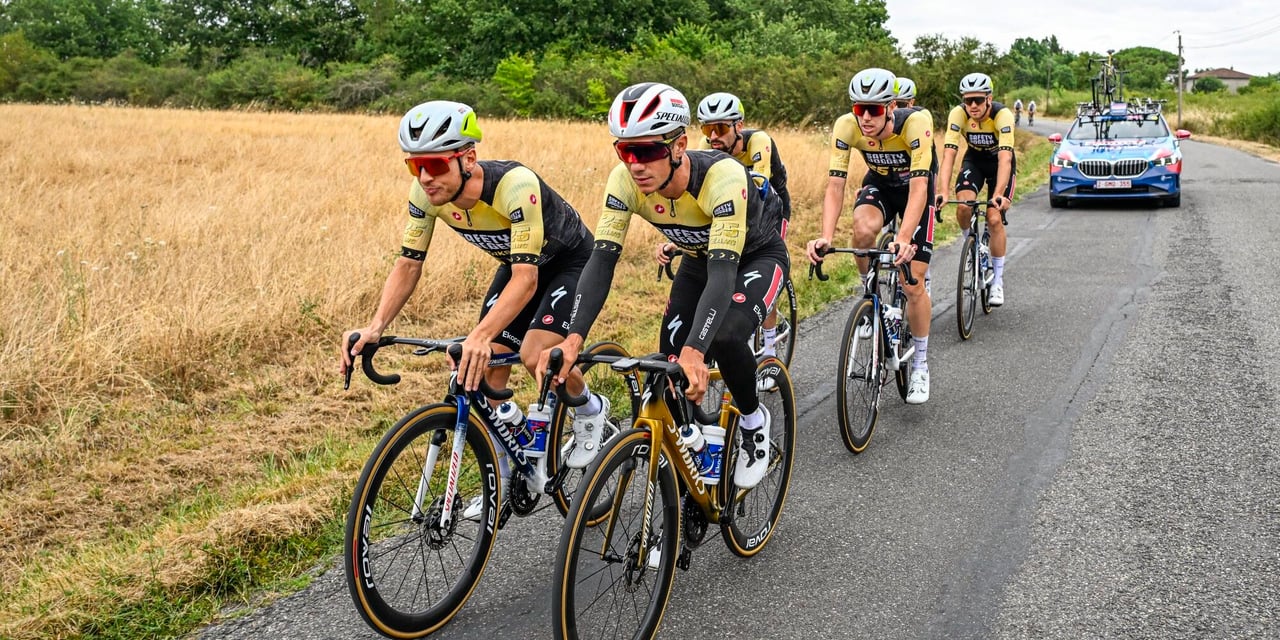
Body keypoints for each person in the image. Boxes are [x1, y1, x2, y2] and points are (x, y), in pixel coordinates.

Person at [540, 82, 790, 489]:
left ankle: (752, 420)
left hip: (755, 256)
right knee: (668, 369)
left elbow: (724, 273)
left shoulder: (722, 177)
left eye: (646, 152)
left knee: (724, 337)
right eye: (625, 151)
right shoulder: (624, 181)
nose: (635, 165)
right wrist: (573, 338)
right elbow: (601, 261)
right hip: (697, 258)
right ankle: (696, 443)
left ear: (679, 147)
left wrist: (697, 350)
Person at [341, 100, 612, 471]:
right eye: (415, 166)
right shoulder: (425, 195)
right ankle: (505, 468)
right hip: (517, 265)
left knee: (536, 355)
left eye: (436, 165)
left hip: (569, 262)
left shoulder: (514, 186)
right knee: (483, 368)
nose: (425, 177)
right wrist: (376, 326)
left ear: (468, 159)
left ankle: (591, 409)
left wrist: (480, 334)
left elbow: (527, 278)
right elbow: (408, 264)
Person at [805, 68, 937, 404]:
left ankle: (920, 365)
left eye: (874, 110)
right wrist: (825, 236)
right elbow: (835, 185)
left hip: (915, 190)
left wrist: (904, 237)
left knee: (912, 283)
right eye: (858, 108)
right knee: (862, 229)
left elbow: (920, 187)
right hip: (880, 184)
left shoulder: (915, 124)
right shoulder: (846, 126)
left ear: (891, 106)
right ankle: (871, 295)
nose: (865, 118)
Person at [659, 91, 790, 361]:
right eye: (707, 129)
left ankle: (769, 345)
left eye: (719, 128)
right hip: (734, 206)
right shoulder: (706, 146)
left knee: (764, 269)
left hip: (770, 207)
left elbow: (760, 188)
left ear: (738, 126)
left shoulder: (759, 141)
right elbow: (698, 203)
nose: (713, 136)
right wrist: (679, 239)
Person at [935, 72, 1016, 307]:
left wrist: (998, 194)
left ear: (989, 99)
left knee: (994, 218)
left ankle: (997, 281)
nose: (972, 106)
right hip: (975, 161)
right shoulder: (958, 114)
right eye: (967, 100)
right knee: (963, 206)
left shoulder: (1002, 115)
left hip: (1000, 164)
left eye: (978, 100)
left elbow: (1005, 159)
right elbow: (949, 154)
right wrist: (943, 190)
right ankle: (972, 246)